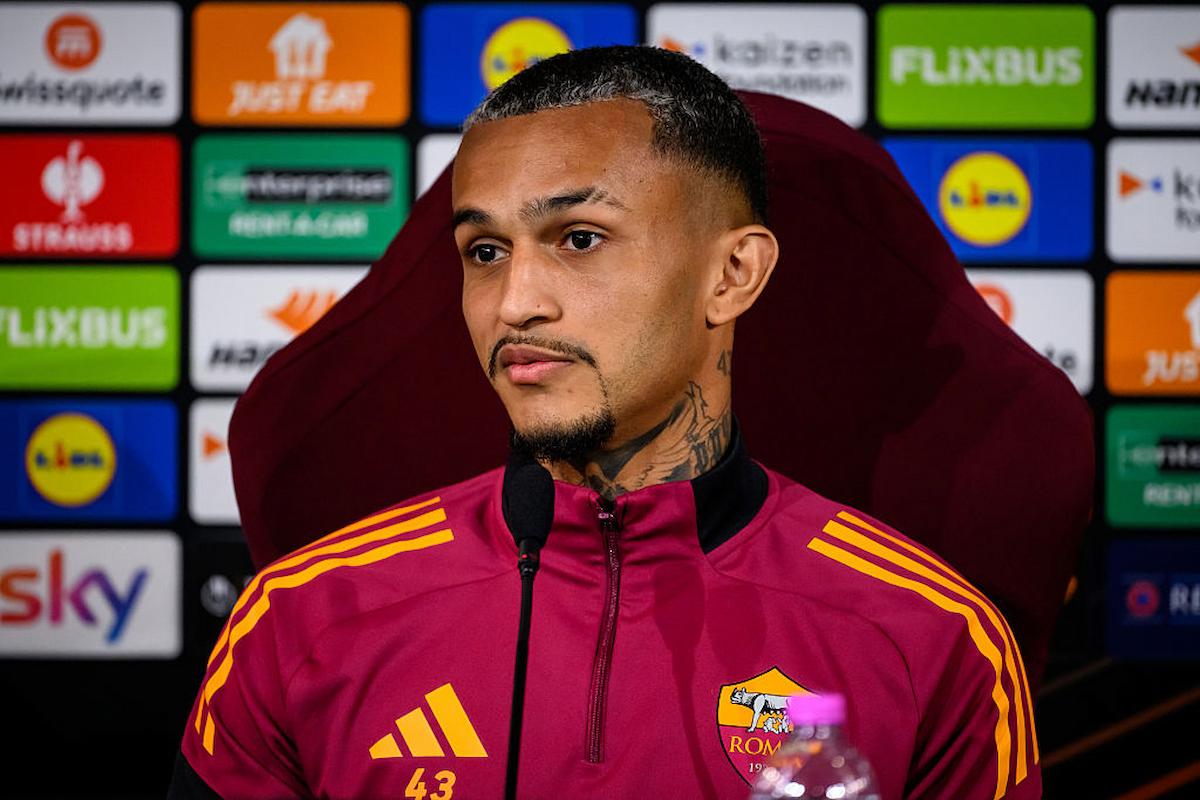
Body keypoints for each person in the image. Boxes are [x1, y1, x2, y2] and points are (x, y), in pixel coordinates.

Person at [170, 46, 1040, 799]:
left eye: (579, 238)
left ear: (733, 273)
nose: (514, 302)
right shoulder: (302, 621)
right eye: (485, 251)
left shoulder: (933, 639)